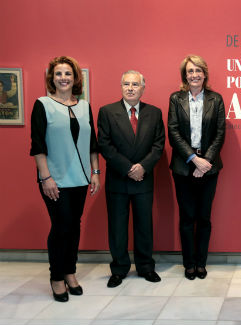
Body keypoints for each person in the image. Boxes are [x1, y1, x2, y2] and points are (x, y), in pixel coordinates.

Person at [29, 56, 101, 302]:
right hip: (55, 179)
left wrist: (95, 173)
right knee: (61, 227)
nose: (63, 78)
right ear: (52, 78)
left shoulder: (84, 106)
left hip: (80, 178)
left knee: (74, 226)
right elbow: (37, 145)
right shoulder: (42, 105)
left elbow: (92, 144)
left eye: (67, 74)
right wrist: (45, 177)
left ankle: (70, 271)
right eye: (58, 74)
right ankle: (56, 277)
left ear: (75, 78)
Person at [97, 70, 165, 288]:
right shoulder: (107, 111)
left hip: (143, 179)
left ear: (143, 88)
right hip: (118, 179)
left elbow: (158, 145)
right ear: (121, 87)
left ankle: (146, 267)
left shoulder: (154, 113)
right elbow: (105, 145)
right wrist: (128, 168)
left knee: (144, 226)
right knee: (117, 228)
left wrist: (142, 167)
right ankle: (119, 269)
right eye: (126, 84)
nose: (130, 88)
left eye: (135, 84)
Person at [168, 55, 225, 280]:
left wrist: (205, 161)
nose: (194, 75)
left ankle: (201, 263)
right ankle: (189, 264)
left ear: (205, 74)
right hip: (183, 166)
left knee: (204, 218)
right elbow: (173, 132)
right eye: (190, 71)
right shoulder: (176, 99)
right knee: (186, 217)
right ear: (185, 75)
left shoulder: (216, 99)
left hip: (209, 167)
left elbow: (220, 133)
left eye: (198, 70)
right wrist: (193, 159)